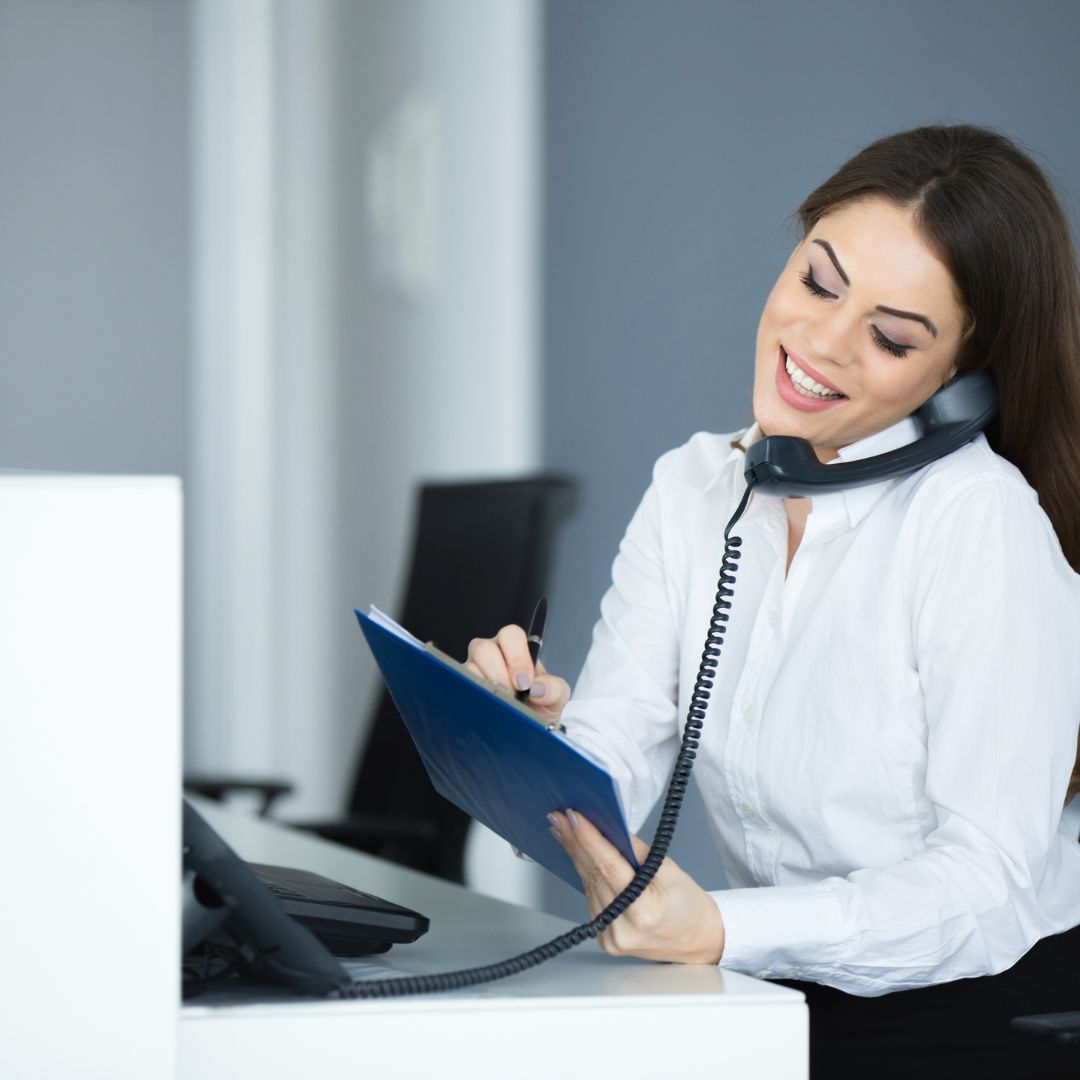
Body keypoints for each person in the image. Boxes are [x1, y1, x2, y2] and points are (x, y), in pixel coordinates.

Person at [465, 124, 1080, 1077]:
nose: (821, 342)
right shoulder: (695, 489)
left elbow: (987, 888)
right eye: (817, 281)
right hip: (784, 996)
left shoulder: (977, 523)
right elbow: (616, 751)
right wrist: (526, 743)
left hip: (993, 1010)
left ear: (959, 378)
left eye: (889, 335)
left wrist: (720, 926)